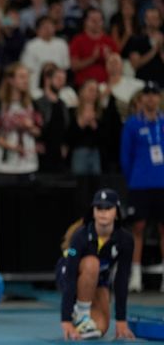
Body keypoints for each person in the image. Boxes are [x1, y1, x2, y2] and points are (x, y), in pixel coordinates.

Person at [56, 189, 135, 341]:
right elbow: (70, 273)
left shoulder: (125, 240)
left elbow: (122, 278)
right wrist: (65, 320)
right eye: (99, 208)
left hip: (99, 278)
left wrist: (121, 320)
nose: (103, 213)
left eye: (108, 208)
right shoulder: (79, 236)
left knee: (100, 328)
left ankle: (80, 317)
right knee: (92, 263)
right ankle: (81, 315)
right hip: (70, 274)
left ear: (116, 212)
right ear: (93, 212)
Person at [120, 81, 164, 292]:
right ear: (142, 98)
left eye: (154, 94)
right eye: (147, 94)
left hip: (162, 182)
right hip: (140, 183)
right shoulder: (132, 124)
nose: (151, 98)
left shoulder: (163, 123)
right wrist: (134, 178)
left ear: (159, 98)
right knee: (137, 228)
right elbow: (125, 156)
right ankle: (135, 275)